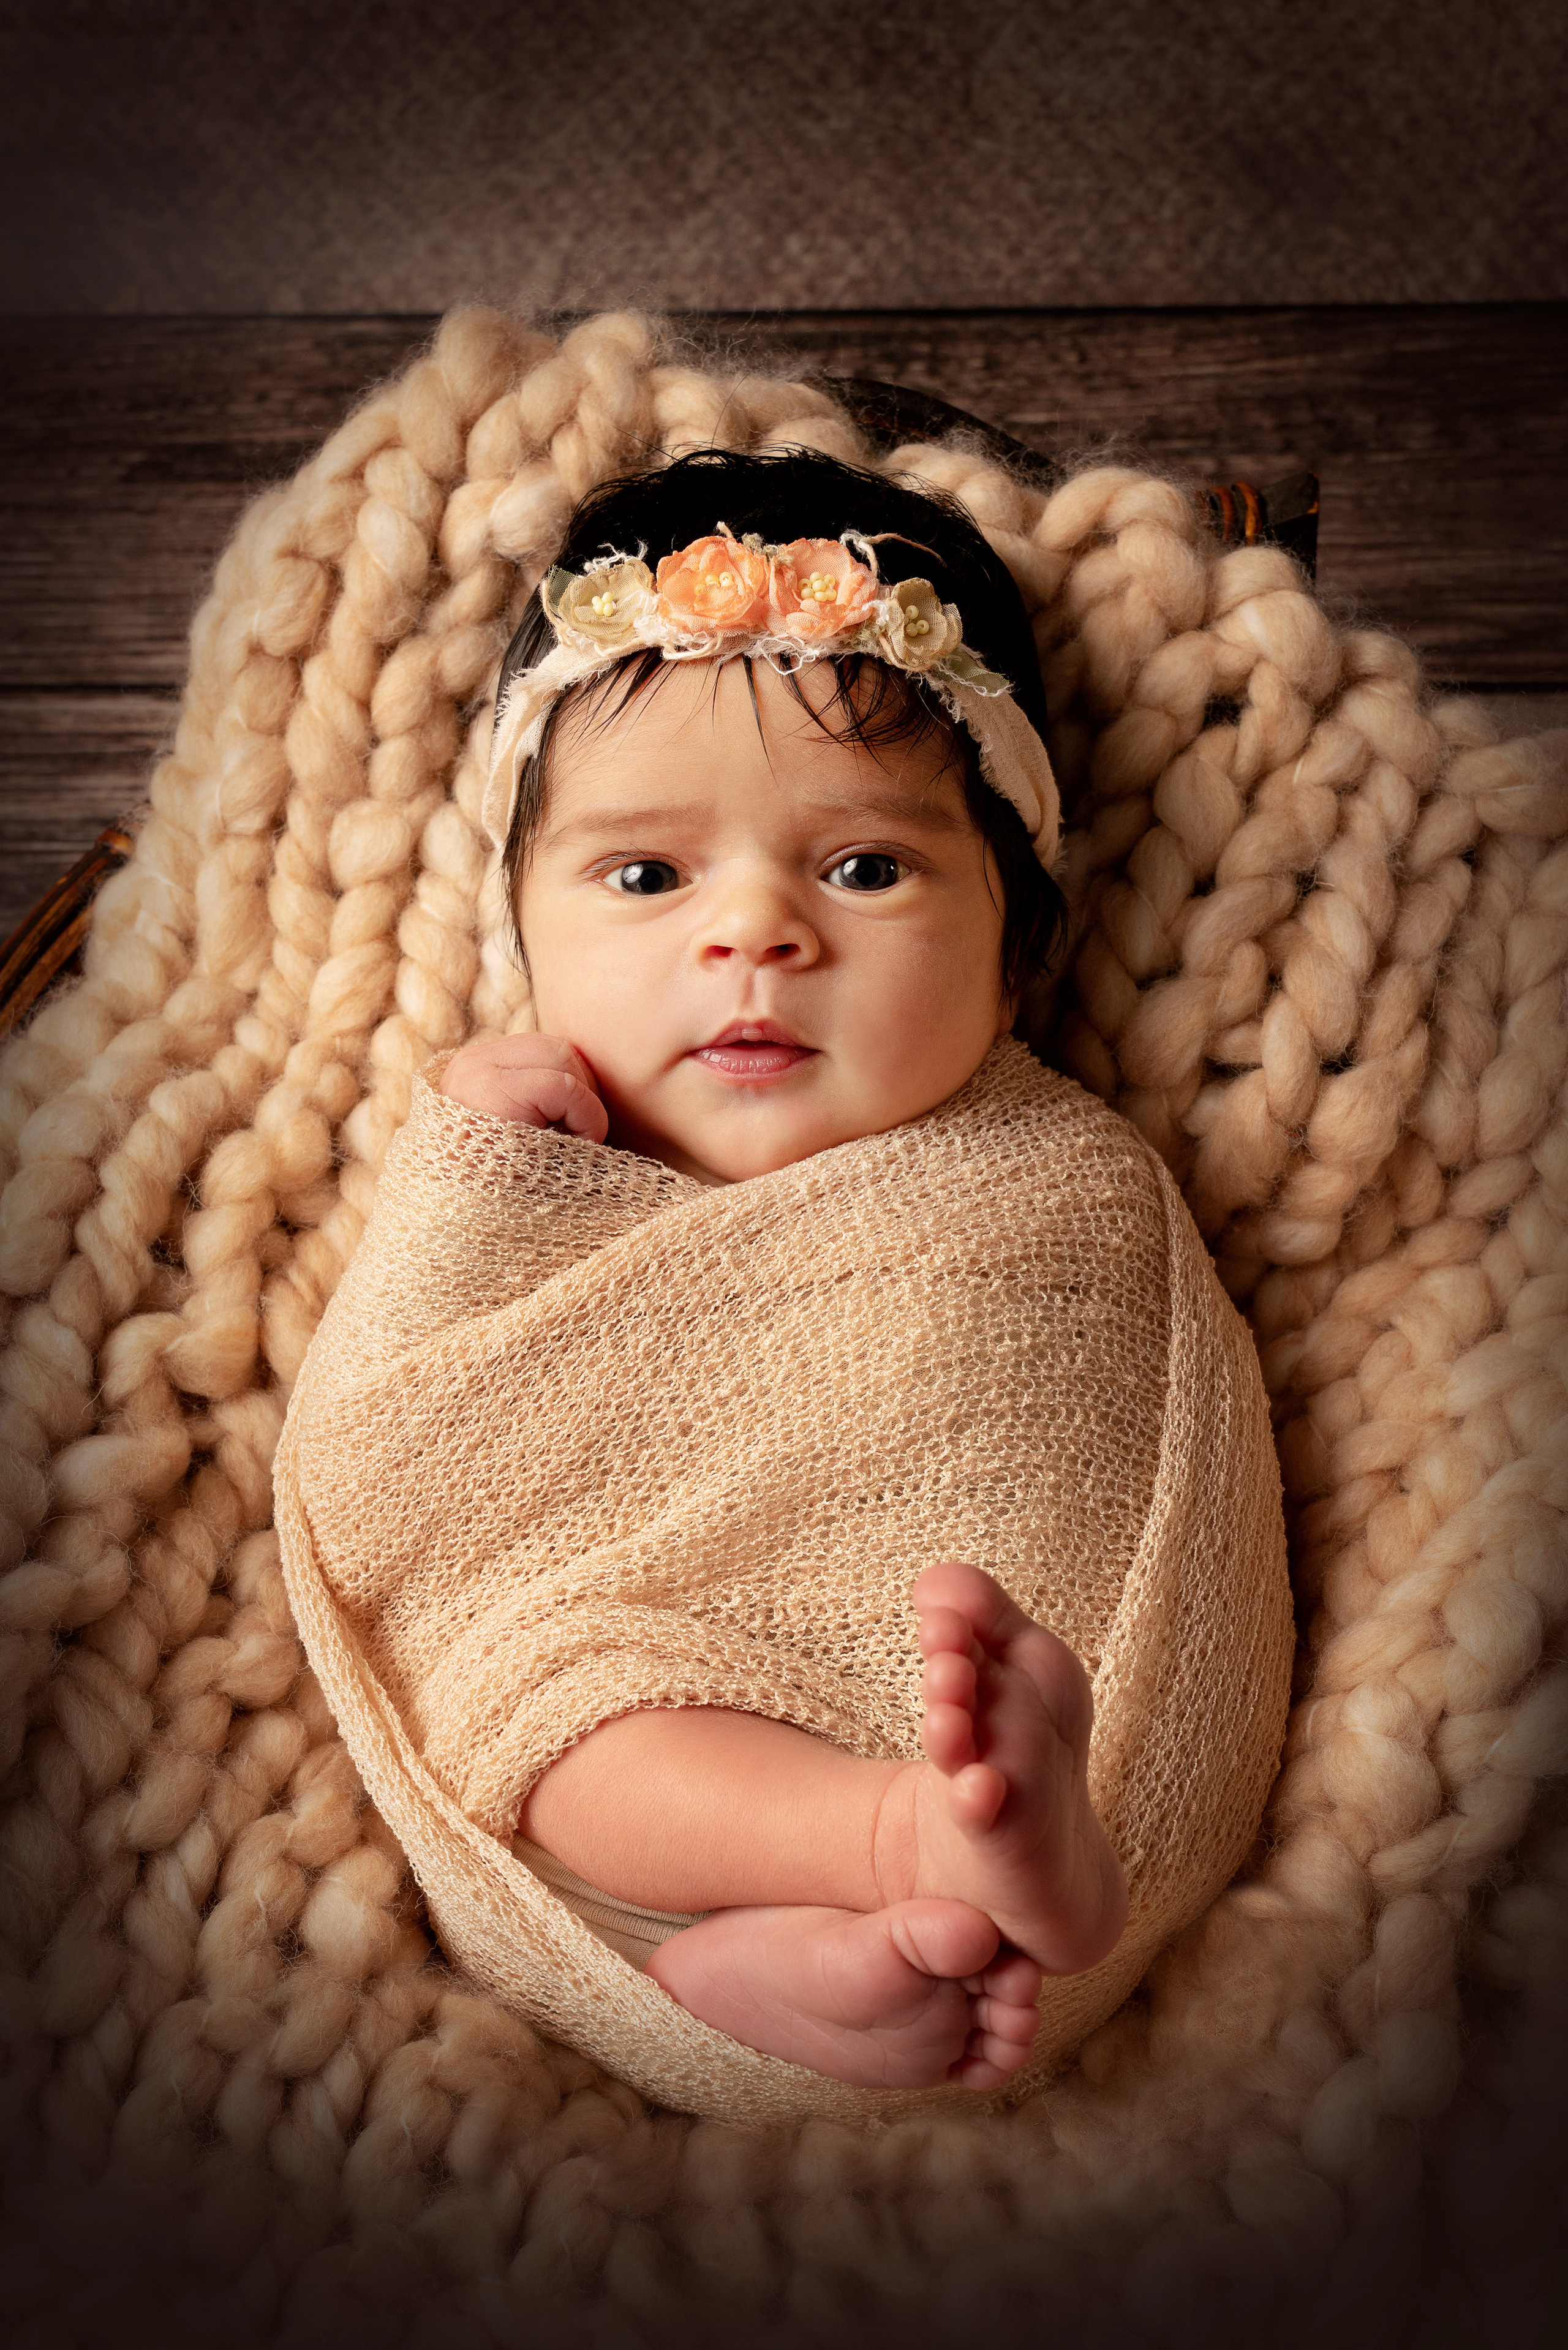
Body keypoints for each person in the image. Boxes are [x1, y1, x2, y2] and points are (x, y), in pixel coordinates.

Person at [277, 447, 1290, 2103]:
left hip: (1043, 1760)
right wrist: (461, 1193)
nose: (753, 934)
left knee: (980, 1671)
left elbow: (1098, 1453)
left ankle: (925, 1852)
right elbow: (387, 1464)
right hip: (655, 1790)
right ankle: (853, 1893)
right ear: (523, 944)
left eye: (866, 869)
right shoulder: (527, 1174)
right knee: (547, 1692)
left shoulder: (1064, 1188)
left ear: (1017, 952)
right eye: (647, 876)